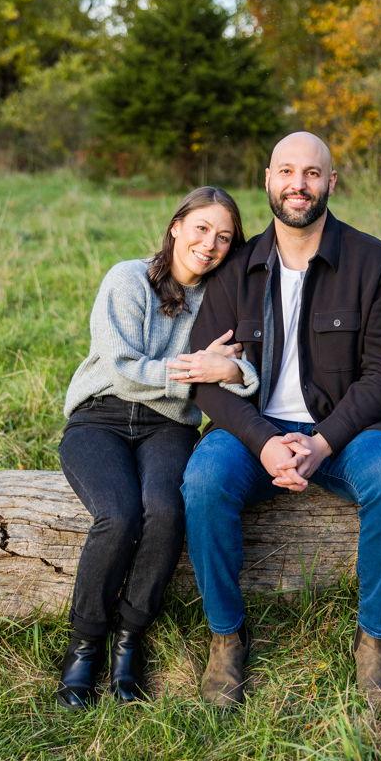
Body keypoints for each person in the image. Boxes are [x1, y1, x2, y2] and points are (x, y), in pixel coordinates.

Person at [182, 132, 381, 707]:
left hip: (349, 431)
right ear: (268, 179)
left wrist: (322, 442)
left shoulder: (375, 263)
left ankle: (374, 641)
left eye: (312, 173)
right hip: (253, 431)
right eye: (287, 172)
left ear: (330, 182)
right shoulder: (235, 269)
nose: (299, 184)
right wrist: (264, 441)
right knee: (203, 480)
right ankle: (226, 637)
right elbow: (205, 379)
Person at [56, 187, 258, 710]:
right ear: (176, 226)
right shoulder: (127, 278)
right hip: (99, 417)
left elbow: (243, 373)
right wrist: (197, 371)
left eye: (224, 237)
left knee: (166, 512)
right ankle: (86, 642)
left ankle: (129, 636)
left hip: (168, 426)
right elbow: (123, 368)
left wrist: (233, 369)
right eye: (201, 229)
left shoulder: (221, 300)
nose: (209, 244)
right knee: (118, 515)